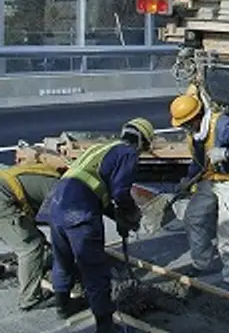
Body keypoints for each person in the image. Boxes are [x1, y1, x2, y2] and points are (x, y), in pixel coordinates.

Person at [46, 118, 154, 332]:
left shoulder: (102, 147)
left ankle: (63, 305)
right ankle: (105, 326)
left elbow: (96, 187)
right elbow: (120, 192)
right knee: (94, 269)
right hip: (79, 209)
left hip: (57, 203)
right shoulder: (128, 153)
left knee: (63, 258)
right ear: (143, 142)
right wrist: (130, 213)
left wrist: (117, 217)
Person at [169, 93, 229, 287]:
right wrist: (188, 180)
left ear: (196, 118)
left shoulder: (223, 125)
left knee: (226, 227)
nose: (184, 128)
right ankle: (201, 263)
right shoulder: (194, 136)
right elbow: (198, 162)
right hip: (210, 179)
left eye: (185, 123)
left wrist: (226, 153)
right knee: (194, 217)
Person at [0, 162, 64, 311]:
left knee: (32, 237)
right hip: (3, 199)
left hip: (5, 193)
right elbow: (60, 225)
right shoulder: (62, 189)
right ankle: (30, 299)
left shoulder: (49, 175)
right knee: (31, 247)